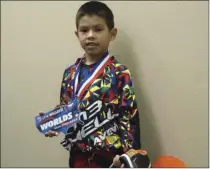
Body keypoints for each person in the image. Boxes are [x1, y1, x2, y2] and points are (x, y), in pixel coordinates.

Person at [42, 1, 141, 168]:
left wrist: (129, 154)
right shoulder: (70, 73)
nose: (90, 35)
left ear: (112, 33)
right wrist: (55, 123)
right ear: (77, 34)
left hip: (111, 156)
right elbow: (66, 109)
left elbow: (129, 117)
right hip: (78, 155)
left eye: (98, 29)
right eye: (84, 30)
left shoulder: (119, 73)